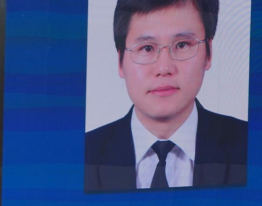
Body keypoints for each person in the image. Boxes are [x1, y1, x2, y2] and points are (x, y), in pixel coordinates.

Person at [85, 0, 247, 192]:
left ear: (208, 53)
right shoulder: (83, 154)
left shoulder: (251, 145)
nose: (164, 68)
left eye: (182, 45)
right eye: (147, 48)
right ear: (120, 61)